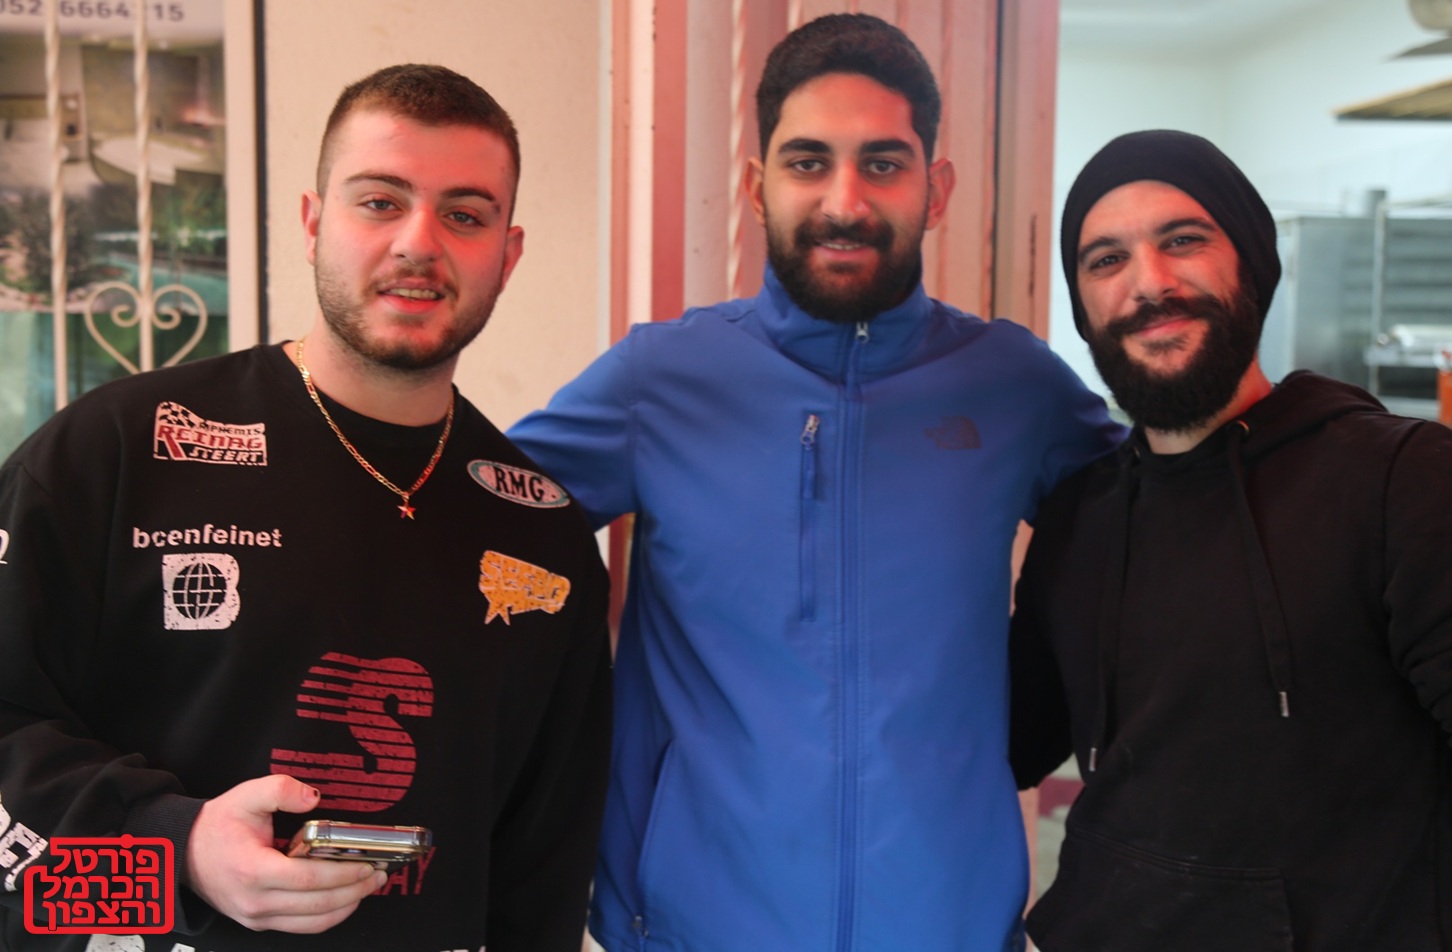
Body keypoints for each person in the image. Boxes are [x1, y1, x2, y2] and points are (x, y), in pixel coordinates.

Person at [509, 14, 1121, 951]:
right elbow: (461, 520)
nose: (844, 200)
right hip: (693, 925)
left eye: (883, 163)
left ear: (935, 189)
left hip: (948, 923)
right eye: (808, 162)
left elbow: (1170, 525)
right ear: (759, 188)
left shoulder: (1013, 385)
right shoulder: (660, 380)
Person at [0, 64, 611, 951]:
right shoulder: (117, 452)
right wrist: (177, 858)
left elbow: (538, 880)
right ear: (314, 220)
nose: (418, 242)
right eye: (380, 202)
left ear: (507, 256)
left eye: (465, 215)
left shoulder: (543, 538)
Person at [1010, 129, 1452, 951]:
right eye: (1107, 260)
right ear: (1083, 306)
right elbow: (1001, 741)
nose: (1150, 283)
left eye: (1183, 240)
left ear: (1251, 263)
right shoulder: (1079, 516)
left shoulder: (1402, 481)